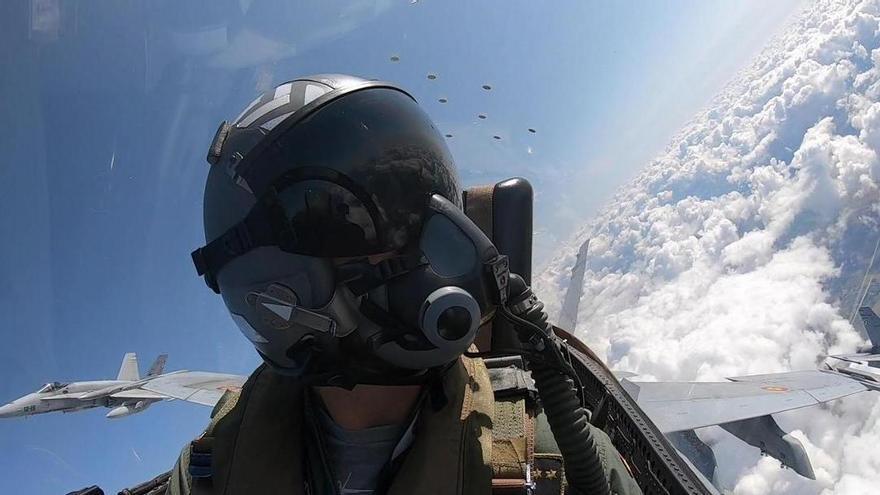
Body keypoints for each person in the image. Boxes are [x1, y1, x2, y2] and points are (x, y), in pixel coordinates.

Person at [166, 74, 641, 495]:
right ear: (277, 292)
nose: (434, 235)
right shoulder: (206, 477)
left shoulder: (552, 458)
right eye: (366, 219)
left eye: (427, 203)